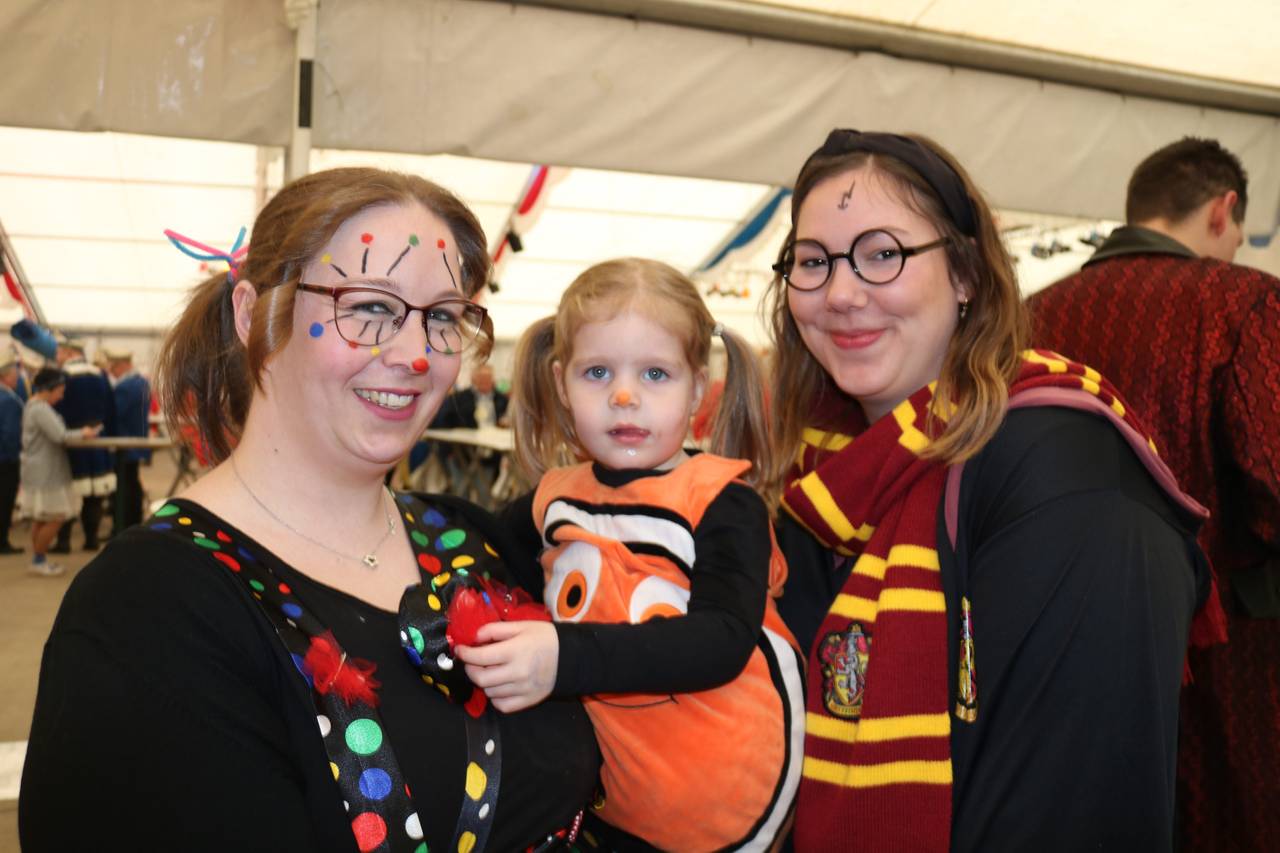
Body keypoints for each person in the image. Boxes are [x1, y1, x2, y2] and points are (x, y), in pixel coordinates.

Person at [20, 167, 599, 852]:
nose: (415, 355)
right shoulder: (147, 610)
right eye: (370, 306)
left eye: (443, 316)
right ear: (252, 315)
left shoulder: (469, 538)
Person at [764, 129, 1214, 851]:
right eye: (813, 261)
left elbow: (1075, 805)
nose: (841, 293)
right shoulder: (814, 480)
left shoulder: (1069, 470)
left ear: (967, 274)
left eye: (883, 254)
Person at [459, 258, 805, 852]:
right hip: (615, 802)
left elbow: (722, 640)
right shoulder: (553, 500)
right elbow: (479, 550)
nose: (624, 396)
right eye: (597, 373)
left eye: (655, 374)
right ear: (561, 384)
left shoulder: (723, 502)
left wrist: (563, 658)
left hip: (726, 789)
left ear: (696, 389)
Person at [1027, 136, 1280, 851]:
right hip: (1221, 653)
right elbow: (1272, 474)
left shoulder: (1029, 313)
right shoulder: (1243, 299)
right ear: (1224, 210)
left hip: (1057, 640)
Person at [19, 368, 99, 576]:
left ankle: (39, 559)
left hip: (40, 470)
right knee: (56, 516)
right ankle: (38, 559)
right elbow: (60, 435)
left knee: (42, 518)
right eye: (60, 391)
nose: (61, 396)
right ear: (49, 389)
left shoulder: (33, 405)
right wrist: (84, 433)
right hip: (46, 473)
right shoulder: (40, 409)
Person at [52, 337, 116, 551]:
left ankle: (63, 541)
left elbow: (56, 409)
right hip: (98, 439)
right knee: (94, 494)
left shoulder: (62, 376)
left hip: (71, 440)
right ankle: (91, 539)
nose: (57, 356)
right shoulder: (100, 374)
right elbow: (110, 410)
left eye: (59, 352)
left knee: (67, 492)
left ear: (69, 352)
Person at [432, 363, 510, 506]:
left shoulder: (502, 399)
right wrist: (448, 450)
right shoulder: (458, 399)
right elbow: (443, 423)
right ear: (473, 380)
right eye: (481, 379)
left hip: (489, 456)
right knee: (461, 494)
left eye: (488, 378)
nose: (485, 382)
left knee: (484, 494)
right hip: (461, 454)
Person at [105, 347, 152, 532]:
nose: (112, 372)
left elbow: (115, 413)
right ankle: (133, 523)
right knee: (132, 484)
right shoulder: (141, 382)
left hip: (124, 444)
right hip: (135, 441)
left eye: (114, 367)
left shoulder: (125, 386)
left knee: (125, 487)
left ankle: (123, 526)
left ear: (123, 365)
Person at [0, 355, 25, 554]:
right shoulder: (9, 400)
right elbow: (10, 433)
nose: (17, 378)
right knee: (5, 500)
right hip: (6, 459)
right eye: (15, 375)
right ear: (5, 376)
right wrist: (15, 455)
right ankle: (2, 541)